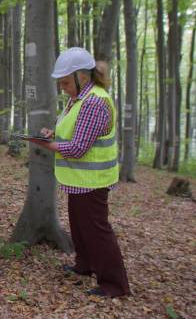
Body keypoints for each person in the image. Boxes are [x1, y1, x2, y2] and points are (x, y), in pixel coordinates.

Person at [27, 47, 130, 297]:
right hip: (78, 179)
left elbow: (78, 148)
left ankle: (114, 284)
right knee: (80, 226)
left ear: (82, 76)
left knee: (96, 230)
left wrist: (46, 144)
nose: (62, 87)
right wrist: (54, 134)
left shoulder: (94, 102)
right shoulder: (78, 100)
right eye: (60, 83)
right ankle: (85, 265)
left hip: (92, 181)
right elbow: (73, 133)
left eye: (65, 82)